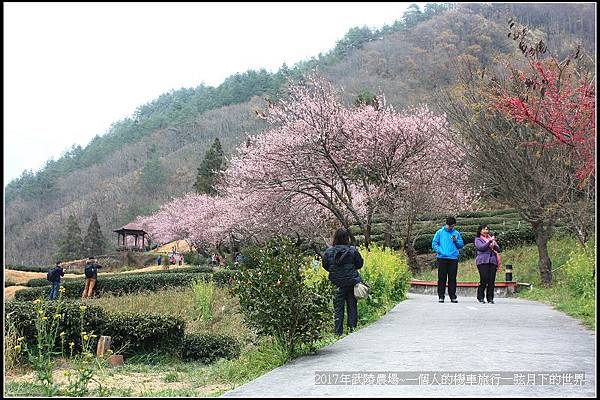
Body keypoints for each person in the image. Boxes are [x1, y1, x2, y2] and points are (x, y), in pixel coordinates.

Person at [322, 227, 364, 336]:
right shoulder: (352, 250)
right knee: (352, 307)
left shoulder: (329, 252)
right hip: (351, 282)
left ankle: (338, 333)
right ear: (347, 238)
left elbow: (325, 266)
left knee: (338, 308)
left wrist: (336, 271)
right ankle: (352, 331)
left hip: (336, 284)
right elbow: (359, 264)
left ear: (335, 238)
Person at [432, 216, 464, 303]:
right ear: (447, 224)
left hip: (453, 258)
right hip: (442, 258)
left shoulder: (456, 233)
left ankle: (453, 296)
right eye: (450, 226)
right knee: (442, 278)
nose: (451, 228)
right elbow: (434, 244)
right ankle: (441, 296)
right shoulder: (439, 232)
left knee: (452, 278)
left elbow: (461, 245)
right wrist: (441, 251)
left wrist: (456, 241)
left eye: (453, 226)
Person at [474, 224, 501, 304]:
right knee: (484, 279)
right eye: (484, 229)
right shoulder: (478, 239)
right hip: (482, 261)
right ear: (480, 231)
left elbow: (498, 249)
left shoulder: (490, 238)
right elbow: (481, 248)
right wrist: (489, 242)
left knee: (491, 280)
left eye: (487, 229)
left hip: (492, 261)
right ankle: (480, 297)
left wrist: (494, 244)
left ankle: (490, 298)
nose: (486, 231)